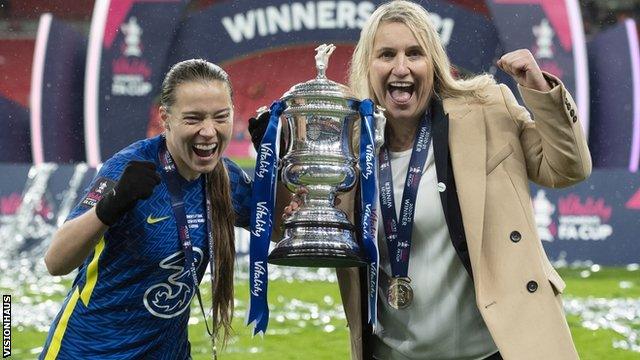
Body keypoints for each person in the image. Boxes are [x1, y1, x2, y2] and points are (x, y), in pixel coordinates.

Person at [250, 1, 591, 359]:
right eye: (386, 54)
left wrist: (542, 93)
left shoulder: (486, 110)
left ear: (434, 63)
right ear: (368, 65)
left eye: (415, 53)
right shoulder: (347, 147)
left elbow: (568, 167)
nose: (401, 68)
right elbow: (294, 229)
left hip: (494, 352)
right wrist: (278, 162)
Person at [40, 59, 252, 359]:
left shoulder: (226, 180)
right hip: (90, 350)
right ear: (166, 118)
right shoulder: (131, 168)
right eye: (193, 118)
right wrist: (112, 204)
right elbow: (56, 261)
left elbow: (280, 232)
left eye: (221, 117)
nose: (209, 131)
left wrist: (274, 161)